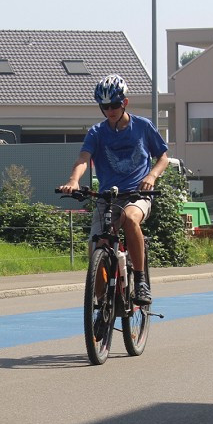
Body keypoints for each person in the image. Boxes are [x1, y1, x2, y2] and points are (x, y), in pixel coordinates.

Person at [57, 74, 169, 306]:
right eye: (105, 106)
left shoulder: (143, 126)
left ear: (124, 102)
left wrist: (152, 176)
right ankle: (102, 306)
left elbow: (163, 158)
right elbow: (83, 159)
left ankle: (140, 281)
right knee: (96, 248)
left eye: (115, 105)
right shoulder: (97, 133)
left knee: (130, 218)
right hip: (108, 198)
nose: (110, 110)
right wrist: (73, 180)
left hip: (138, 195)